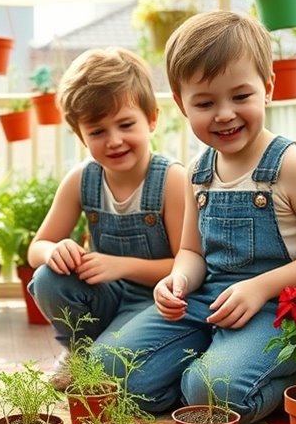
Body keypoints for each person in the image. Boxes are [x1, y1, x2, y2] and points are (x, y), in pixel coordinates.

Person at [95, 11, 296, 424]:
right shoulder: (199, 171)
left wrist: (260, 287)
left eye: (240, 97)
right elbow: (191, 251)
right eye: (205, 102)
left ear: (268, 88)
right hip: (208, 301)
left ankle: (273, 382)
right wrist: (178, 279)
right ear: (182, 104)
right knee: (108, 365)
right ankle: (206, 373)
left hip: (275, 309)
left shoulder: (288, 164)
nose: (224, 114)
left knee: (213, 390)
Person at [27, 47, 187, 390]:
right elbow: (37, 247)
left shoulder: (172, 180)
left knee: (120, 376)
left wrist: (120, 265)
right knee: (47, 278)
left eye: (126, 124)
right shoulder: (81, 180)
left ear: (152, 119)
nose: (114, 140)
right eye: (97, 131)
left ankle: (123, 361)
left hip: (156, 304)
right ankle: (79, 350)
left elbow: (185, 266)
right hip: (105, 299)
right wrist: (55, 251)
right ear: (79, 134)